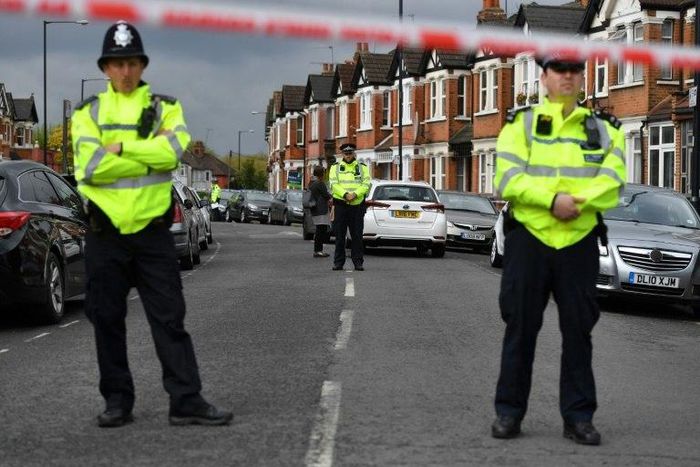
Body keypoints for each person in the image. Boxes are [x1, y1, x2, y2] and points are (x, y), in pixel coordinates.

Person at [71, 21, 232, 428]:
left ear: (142, 64)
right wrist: (149, 152)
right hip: (105, 233)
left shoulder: (165, 107)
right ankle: (117, 401)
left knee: (169, 318)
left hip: (153, 234)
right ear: (106, 67)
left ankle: (186, 399)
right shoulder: (87, 112)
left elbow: (173, 152)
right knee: (106, 319)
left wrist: (122, 147)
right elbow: (90, 165)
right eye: (117, 63)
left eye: (131, 62)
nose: (125, 71)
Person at [491, 53, 626, 445]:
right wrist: (553, 202)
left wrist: (575, 204)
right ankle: (508, 413)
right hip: (530, 238)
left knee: (579, 331)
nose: (567, 77)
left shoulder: (605, 129)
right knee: (520, 328)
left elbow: (614, 181)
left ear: (582, 78)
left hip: (578, 241)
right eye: (559, 71)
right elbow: (508, 180)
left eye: (574, 71)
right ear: (545, 78)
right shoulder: (522, 125)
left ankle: (579, 418)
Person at [328, 143, 371, 271]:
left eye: (350, 153)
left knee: (357, 236)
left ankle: (358, 262)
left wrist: (355, 194)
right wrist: (345, 194)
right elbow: (333, 184)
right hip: (341, 205)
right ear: (342, 154)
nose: (348, 155)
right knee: (340, 236)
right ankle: (338, 263)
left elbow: (366, 184)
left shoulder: (362, 167)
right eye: (345, 153)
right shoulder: (335, 167)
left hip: (356, 206)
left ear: (354, 153)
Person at [308, 165, 332, 257]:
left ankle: (317, 250)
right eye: (324, 172)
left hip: (315, 209)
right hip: (321, 209)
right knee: (321, 230)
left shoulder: (312, 182)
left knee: (319, 229)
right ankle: (318, 251)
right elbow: (326, 195)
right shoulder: (320, 183)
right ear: (322, 173)